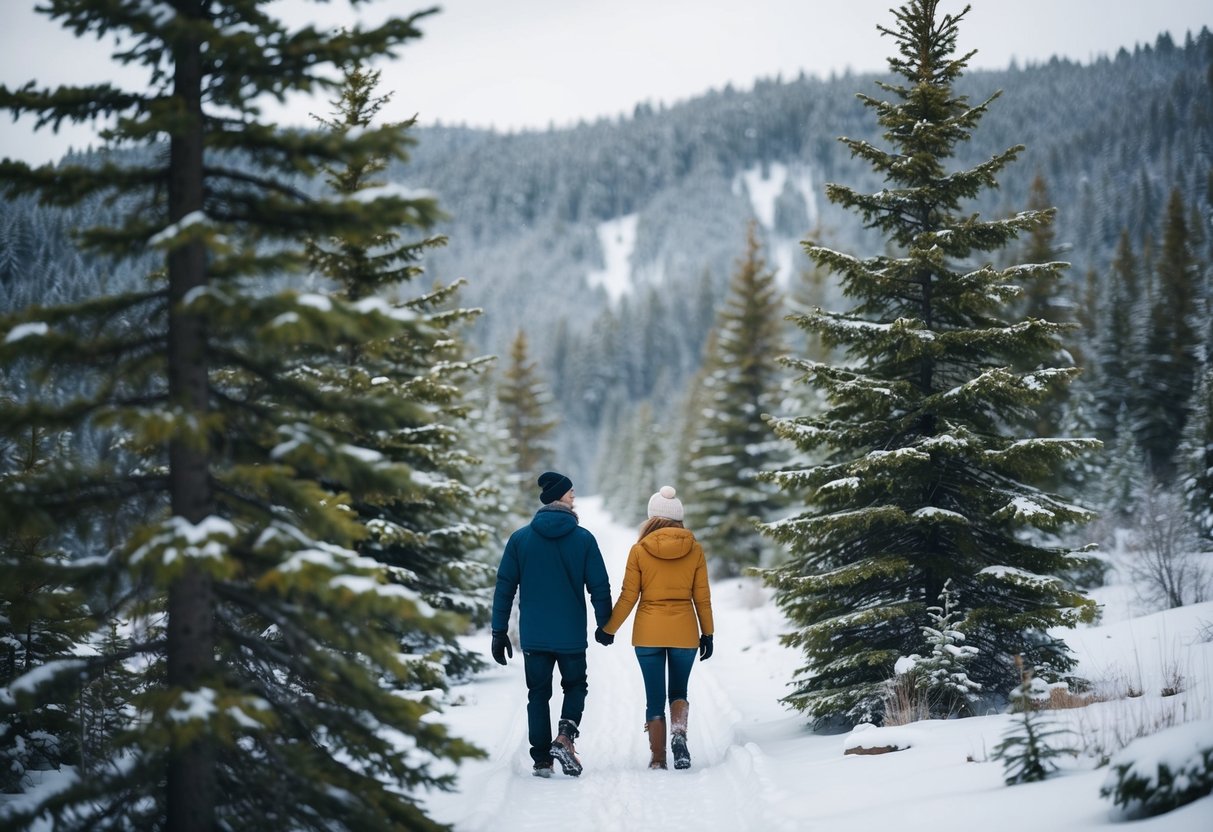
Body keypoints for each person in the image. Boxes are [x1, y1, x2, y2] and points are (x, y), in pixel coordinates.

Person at [490, 470, 613, 778]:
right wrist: (604, 624)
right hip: (570, 634)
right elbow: (599, 585)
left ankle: (542, 760)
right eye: (570, 492)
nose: (574, 496)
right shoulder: (583, 539)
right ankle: (565, 736)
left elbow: (505, 586)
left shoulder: (520, 539)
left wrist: (498, 630)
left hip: (534, 635)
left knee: (537, 694)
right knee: (575, 686)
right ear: (558, 497)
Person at [596, 485, 714, 770]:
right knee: (679, 691)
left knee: (654, 696)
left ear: (651, 517)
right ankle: (679, 735)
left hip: (648, 633)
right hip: (684, 632)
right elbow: (702, 596)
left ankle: (658, 758)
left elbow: (628, 595)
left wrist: (609, 628)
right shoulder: (695, 549)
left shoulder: (639, 550)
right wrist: (707, 633)